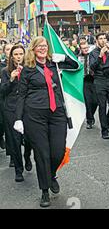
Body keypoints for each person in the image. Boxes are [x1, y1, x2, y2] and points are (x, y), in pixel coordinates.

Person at [14, 36, 79, 207]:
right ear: (33, 49)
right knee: (42, 154)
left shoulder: (54, 63)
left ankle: (50, 176)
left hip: (57, 112)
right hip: (34, 115)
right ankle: (44, 191)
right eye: (39, 46)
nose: (42, 48)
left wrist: (64, 58)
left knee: (57, 151)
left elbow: (77, 65)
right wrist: (18, 119)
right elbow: (21, 95)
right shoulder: (28, 69)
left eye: (45, 46)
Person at [1, 44, 32, 182]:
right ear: (12, 57)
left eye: (21, 54)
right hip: (11, 108)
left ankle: (27, 155)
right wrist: (11, 79)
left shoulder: (28, 69)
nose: (19, 57)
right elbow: (3, 91)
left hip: (26, 107)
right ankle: (18, 169)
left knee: (29, 137)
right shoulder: (5, 71)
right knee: (14, 139)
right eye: (16, 54)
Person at [89, 33, 109, 139]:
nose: (103, 40)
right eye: (100, 38)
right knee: (102, 105)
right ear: (96, 41)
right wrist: (100, 55)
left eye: (105, 38)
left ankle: (107, 121)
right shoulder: (93, 53)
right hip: (99, 80)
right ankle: (104, 130)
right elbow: (92, 67)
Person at [78, 40, 98, 129]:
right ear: (80, 49)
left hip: (94, 79)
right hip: (85, 81)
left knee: (95, 101)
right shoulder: (78, 57)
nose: (85, 50)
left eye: (86, 48)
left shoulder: (93, 55)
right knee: (88, 101)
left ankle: (91, 115)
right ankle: (89, 120)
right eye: (83, 48)